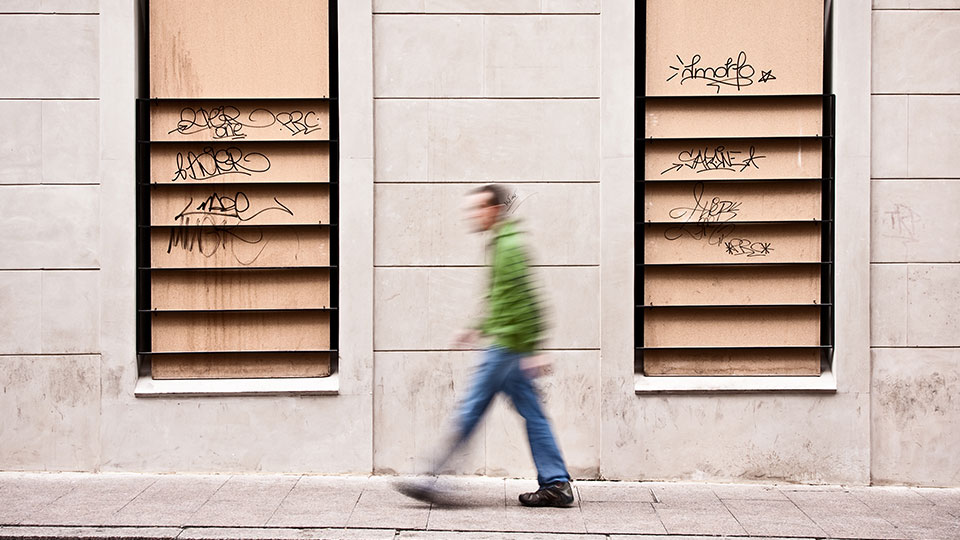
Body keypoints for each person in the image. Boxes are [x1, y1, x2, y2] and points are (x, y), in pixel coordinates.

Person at [396, 184, 574, 508]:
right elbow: (500, 300)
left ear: (493, 210)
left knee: (469, 410)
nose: (472, 215)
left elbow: (526, 300)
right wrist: (475, 328)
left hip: (506, 348)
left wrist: (534, 348)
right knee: (533, 414)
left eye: (477, 208)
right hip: (508, 344)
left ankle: (434, 479)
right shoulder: (502, 244)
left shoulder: (507, 247)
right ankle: (556, 483)